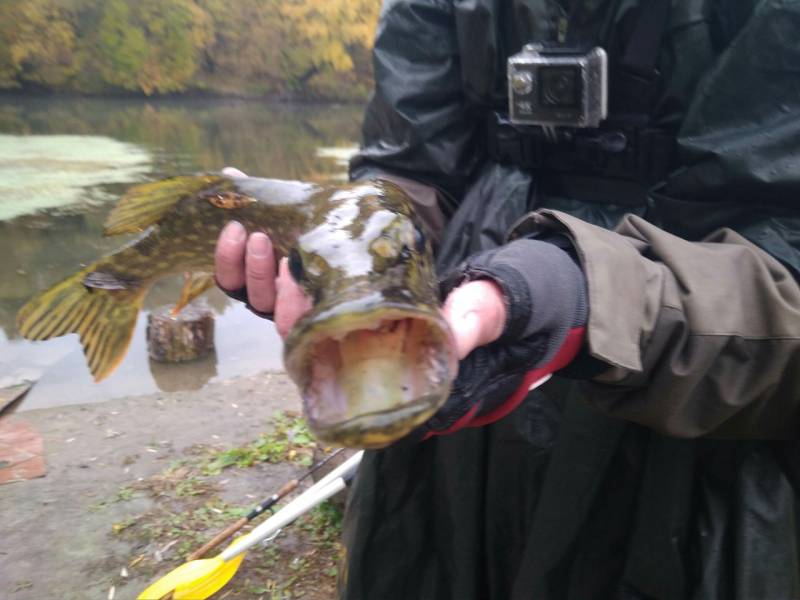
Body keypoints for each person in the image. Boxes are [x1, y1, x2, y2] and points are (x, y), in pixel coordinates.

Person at [215, 1, 800, 598]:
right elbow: (407, 173)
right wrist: (342, 264)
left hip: (689, 436)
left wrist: (584, 297)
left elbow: (786, 260)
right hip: (456, 408)